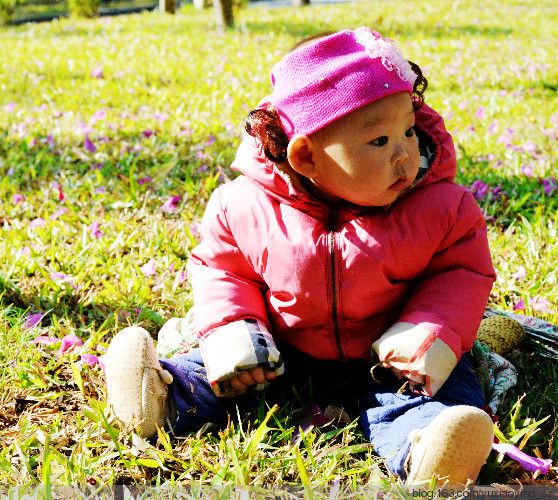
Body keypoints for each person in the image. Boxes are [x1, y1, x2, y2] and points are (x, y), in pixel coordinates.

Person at [103, 27, 497, 485]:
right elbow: (223, 270)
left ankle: (429, 447)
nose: (406, 156)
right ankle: (162, 399)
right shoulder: (244, 206)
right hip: (281, 348)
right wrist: (235, 328)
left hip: (392, 354)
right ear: (307, 156)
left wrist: (432, 330)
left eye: (408, 131)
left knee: (436, 390)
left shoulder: (441, 206)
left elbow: (461, 272)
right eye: (380, 142)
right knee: (221, 373)